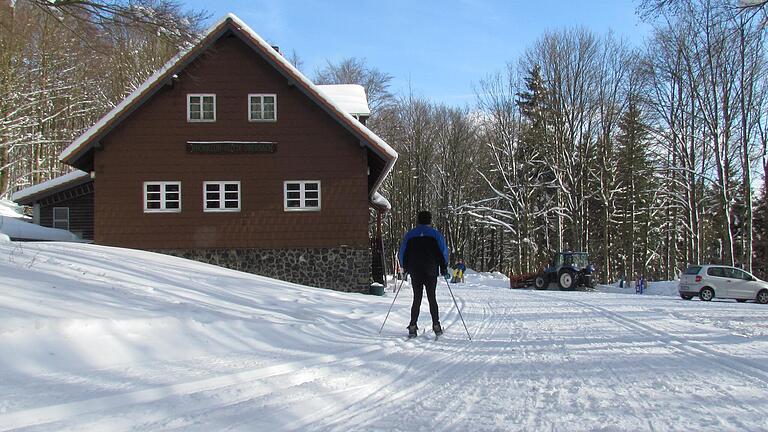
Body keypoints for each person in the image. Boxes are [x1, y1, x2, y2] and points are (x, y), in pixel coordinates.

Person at [398, 210, 449, 338]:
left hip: (415, 270)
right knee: (432, 298)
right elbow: (442, 252)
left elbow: (403, 252)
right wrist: (444, 267)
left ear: (418, 220)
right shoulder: (435, 235)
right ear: (430, 221)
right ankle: (436, 325)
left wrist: (405, 267)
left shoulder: (410, 235)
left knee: (417, 298)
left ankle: (413, 325)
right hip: (431, 270)